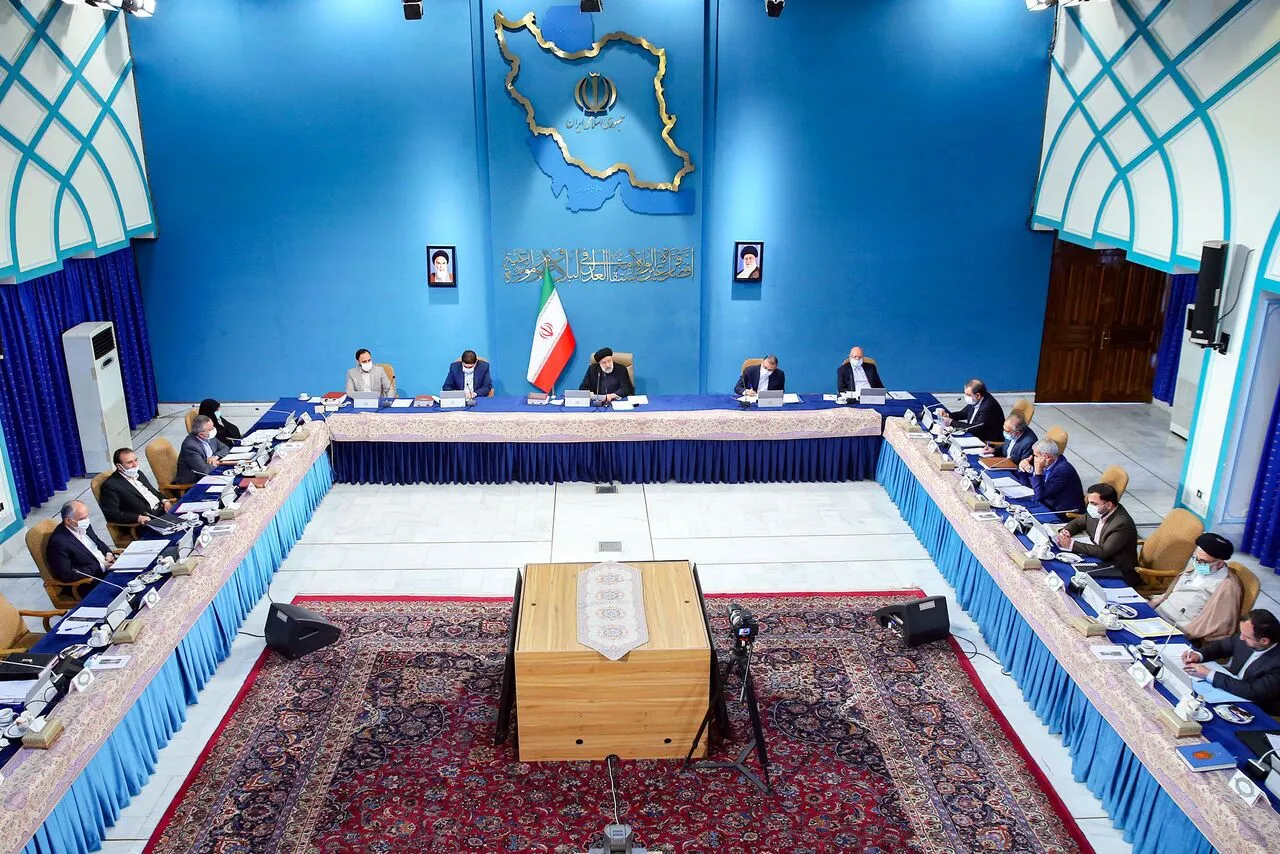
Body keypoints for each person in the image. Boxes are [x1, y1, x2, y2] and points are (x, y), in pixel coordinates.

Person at [1182, 609, 1280, 714]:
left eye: (1246, 636)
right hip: (1227, 688)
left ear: (1264, 641)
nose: (1241, 638)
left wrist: (1208, 674)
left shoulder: (1277, 663)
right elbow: (1222, 647)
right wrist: (1199, 655)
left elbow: (1253, 691)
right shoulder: (1247, 636)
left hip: (1254, 708)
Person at [1151, 533, 1243, 642]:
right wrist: (1156, 601)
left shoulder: (1228, 587)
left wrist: (1180, 634)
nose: (1197, 563)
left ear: (1219, 563)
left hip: (1175, 629)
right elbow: (1172, 592)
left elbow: (1219, 624)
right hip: (1156, 613)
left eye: (1202, 561)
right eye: (1195, 558)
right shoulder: (1199, 568)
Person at [1055, 483, 1140, 587]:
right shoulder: (1099, 511)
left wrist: (1071, 544)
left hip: (1116, 568)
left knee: (1071, 578)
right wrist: (1067, 531)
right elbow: (1079, 522)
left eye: (1094, 503)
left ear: (1108, 505)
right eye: (1089, 502)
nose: (1090, 506)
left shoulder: (1122, 524)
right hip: (1094, 555)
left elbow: (1104, 552)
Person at [45, 500, 115, 586]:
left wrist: (108, 553)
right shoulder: (58, 543)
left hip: (109, 568)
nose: (86, 520)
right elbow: (67, 574)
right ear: (68, 521)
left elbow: (98, 542)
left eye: (87, 516)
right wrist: (101, 567)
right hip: (92, 581)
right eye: (82, 519)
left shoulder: (83, 526)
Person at [100, 448, 173, 526]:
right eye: (129, 462)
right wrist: (138, 518)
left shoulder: (138, 473)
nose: (135, 465)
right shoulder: (110, 485)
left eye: (136, 460)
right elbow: (112, 514)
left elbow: (153, 491)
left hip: (164, 510)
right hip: (148, 521)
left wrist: (165, 501)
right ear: (119, 466)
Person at [1014, 438, 1084, 515]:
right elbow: (1027, 484)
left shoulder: (1061, 471)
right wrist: (1025, 468)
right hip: (1048, 502)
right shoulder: (1050, 463)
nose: (1034, 458)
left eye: (1036, 456)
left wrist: (1038, 472)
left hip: (1060, 512)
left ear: (1045, 457)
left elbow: (1039, 497)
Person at [935, 379, 1005, 444]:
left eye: (968, 395)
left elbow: (976, 428)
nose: (966, 397)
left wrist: (951, 422)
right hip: (974, 434)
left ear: (978, 395)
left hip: (987, 441)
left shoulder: (988, 407)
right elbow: (964, 413)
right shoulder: (976, 400)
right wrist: (948, 415)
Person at [176, 415, 231, 484]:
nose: (214, 429)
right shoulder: (190, 446)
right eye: (210, 429)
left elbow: (225, 448)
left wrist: (215, 457)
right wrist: (217, 462)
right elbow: (204, 471)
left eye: (213, 426)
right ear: (201, 434)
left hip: (210, 474)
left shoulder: (209, 436)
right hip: (194, 482)